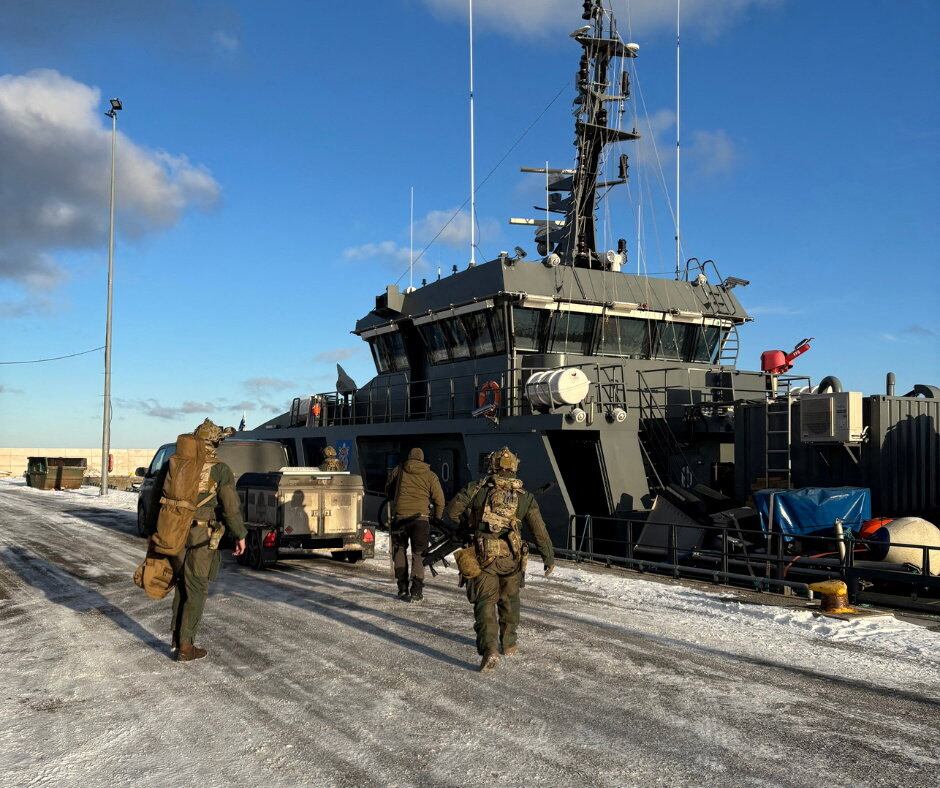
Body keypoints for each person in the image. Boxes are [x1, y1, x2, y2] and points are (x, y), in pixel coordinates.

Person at [443, 447, 555, 672]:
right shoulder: (525, 497)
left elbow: (451, 512)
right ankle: (509, 644)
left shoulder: (476, 489)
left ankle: (490, 649)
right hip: (512, 559)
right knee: (510, 600)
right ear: (514, 467)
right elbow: (539, 531)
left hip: (482, 556)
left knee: (485, 602)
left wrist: (468, 527)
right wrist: (548, 557)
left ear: (492, 466)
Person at [169, 419, 247, 662]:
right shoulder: (220, 469)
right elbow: (231, 507)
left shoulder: (176, 463)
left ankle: (177, 640)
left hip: (175, 532)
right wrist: (240, 534)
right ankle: (185, 646)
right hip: (203, 536)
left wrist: (155, 534)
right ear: (215, 442)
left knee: (182, 584)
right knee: (196, 588)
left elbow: (156, 503)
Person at [385, 448, 445, 602]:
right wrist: (436, 519)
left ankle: (402, 587)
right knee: (419, 554)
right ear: (422, 459)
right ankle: (416, 590)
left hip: (400, 518)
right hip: (421, 520)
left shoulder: (399, 471)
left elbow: (388, 490)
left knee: (399, 551)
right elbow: (440, 500)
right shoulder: (430, 475)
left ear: (409, 457)